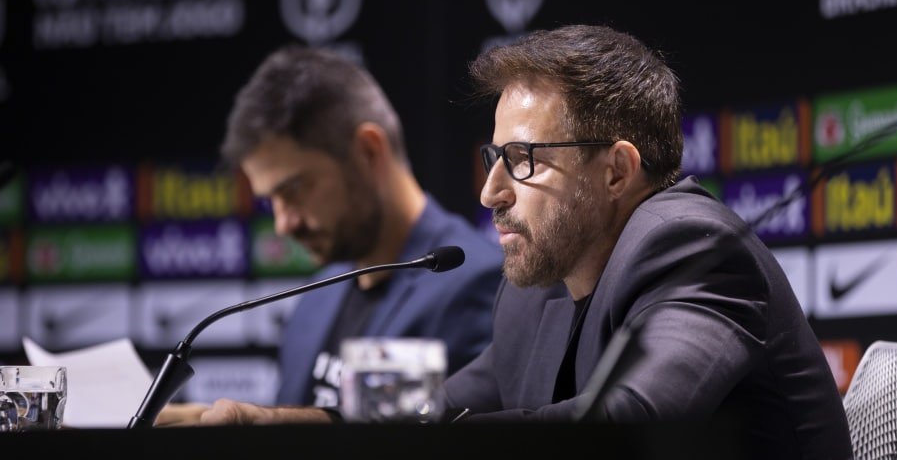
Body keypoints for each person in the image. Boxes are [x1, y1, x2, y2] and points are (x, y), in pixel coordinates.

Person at [161, 24, 853, 460]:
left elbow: (627, 423)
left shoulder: (691, 246)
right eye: (494, 156)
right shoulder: (536, 294)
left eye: (523, 160)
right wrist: (271, 423)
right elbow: (429, 410)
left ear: (615, 170)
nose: (492, 190)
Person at [156, 44, 503, 424]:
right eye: (270, 200)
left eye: (293, 191)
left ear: (368, 152)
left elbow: (429, 434)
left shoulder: (480, 285)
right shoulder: (316, 296)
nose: (283, 224)